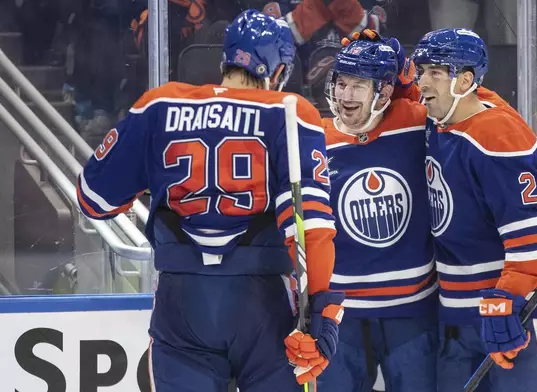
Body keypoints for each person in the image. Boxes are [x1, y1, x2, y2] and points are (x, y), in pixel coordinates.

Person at [76, 9, 343, 391]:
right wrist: (323, 311)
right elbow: (311, 229)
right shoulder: (288, 110)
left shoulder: (159, 105)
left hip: (182, 301)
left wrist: (157, 177)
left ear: (225, 61)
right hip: (263, 302)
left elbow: (92, 200)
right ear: (280, 72)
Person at [413, 28, 537, 391]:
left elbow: (533, 245)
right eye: (420, 70)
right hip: (459, 317)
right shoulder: (440, 119)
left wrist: (507, 298)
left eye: (434, 73)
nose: (422, 82)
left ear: (464, 81)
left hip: (521, 313)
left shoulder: (497, 135)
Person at [315, 34, 439, 392]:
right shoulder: (315, 138)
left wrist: (406, 73)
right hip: (340, 314)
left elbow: (468, 110)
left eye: (358, 85)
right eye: (341, 83)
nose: (345, 95)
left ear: (383, 93)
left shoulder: (415, 122)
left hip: (411, 311)